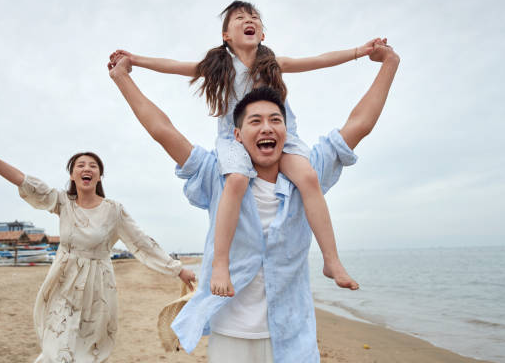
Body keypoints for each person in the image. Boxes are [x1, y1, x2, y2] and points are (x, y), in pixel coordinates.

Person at [108, 38, 399, 362]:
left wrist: (389, 64)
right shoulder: (217, 175)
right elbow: (162, 129)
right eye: (255, 121)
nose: (267, 128)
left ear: (286, 132)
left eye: (276, 120)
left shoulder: (307, 173)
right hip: (232, 335)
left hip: (293, 338)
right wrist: (123, 77)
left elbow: (361, 124)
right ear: (237, 134)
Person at [110, 0, 378, 296]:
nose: (249, 20)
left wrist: (359, 52)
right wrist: (135, 60)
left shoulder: (272, 64)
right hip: (233, 138)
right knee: (236, 180)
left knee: (309, 178)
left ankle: (331, 260)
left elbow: (317, 60)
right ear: (226, 36)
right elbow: (175, 66)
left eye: (254, 18)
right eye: (239, 18)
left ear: (262, 34)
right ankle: (220, 263)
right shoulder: (218, 66)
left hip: (281, 136)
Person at [0, 135, 196, 363]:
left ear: (100, 176)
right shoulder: (62, 202)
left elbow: (141, 242)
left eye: (93, 166)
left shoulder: (114, 210)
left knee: (88, 351)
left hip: (98, 288)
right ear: (72, 175)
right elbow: (23, 180)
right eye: (80, 165)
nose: (87, 169)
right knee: (59, 346)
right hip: (63, 282)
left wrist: (177, 269)